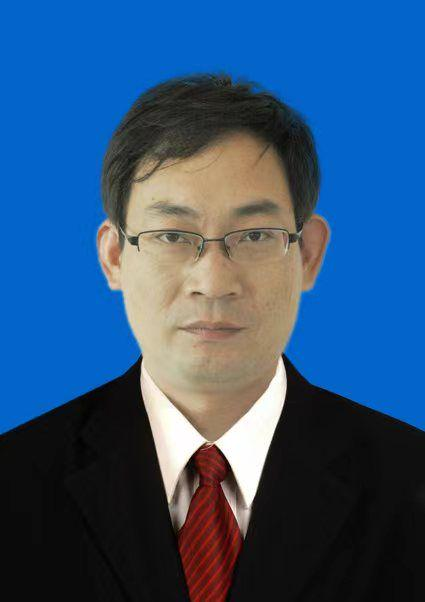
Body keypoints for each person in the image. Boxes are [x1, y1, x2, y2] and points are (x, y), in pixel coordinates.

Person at [1, 73, 424, 602]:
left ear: (309, 254)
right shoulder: (13, 483)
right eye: (172, 235)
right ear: (113, 256)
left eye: (255, 235)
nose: (213, 282)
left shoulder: (410, 482)